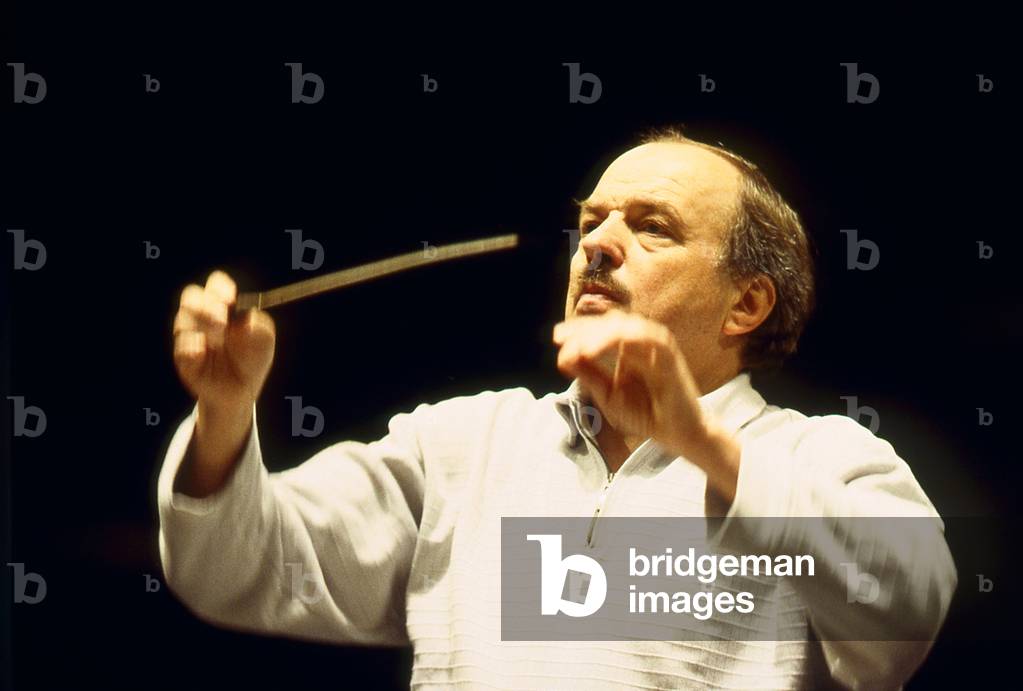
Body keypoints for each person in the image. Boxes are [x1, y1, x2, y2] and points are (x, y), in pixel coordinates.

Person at [157, 127, 957, 689]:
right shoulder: (464, 444)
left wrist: (701, 442)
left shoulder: (820, 458)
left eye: (652, 227)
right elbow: (236, 570)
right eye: (589, 223)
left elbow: (906, 610)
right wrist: (227, 412)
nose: (597, 245)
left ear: (744, 303)